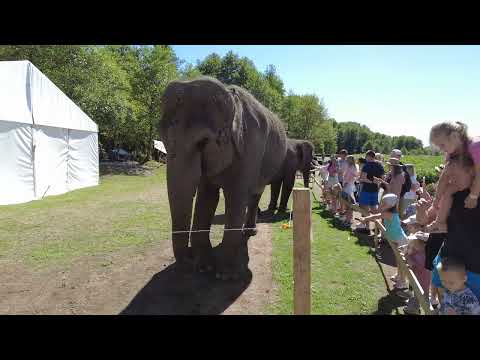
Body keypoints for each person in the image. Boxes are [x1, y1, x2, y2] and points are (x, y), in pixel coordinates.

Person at [426, 121, 480, 233]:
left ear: (454, 136)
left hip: (474, 185)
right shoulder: (453, 153)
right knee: (448, 190)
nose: (441, 149)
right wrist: (435, 203)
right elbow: (444, 178)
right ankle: (439, 222)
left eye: (442, 145)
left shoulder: (476, 146)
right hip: (466, 184)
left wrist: (474, 195)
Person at [357, 194, 408, 290]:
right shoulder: (390, 212)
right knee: (398, 259)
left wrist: (365, 219)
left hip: (401, 240)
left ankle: (403, 282)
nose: (382, 205)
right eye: (382, 203)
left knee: (402, 262)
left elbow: (377, 215)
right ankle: (398, 276)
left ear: (391, 205)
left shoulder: (388, 213)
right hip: (397, 239)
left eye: (384, 203)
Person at [357, 150, 385, 233]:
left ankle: (367, 228)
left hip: (366, 189)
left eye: (366, 156)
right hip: (375, 190)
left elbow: (362, 178)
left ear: (369, 156)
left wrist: (370, 181)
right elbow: (382, 179)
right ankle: (377, 228)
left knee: (365, 209)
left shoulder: (366, 165)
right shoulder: (380, 166)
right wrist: (376, 182)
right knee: (374, 209)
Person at [338, 155, 358, 227]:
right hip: (348, 185)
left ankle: (349, 220)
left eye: (347, 160)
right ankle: (348, 219)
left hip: (348, 186)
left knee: (348, 203)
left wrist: (345, 185)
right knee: (347, 204)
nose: (346, 161)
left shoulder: (352, 167)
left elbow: (350, 177)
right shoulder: (351, 167)